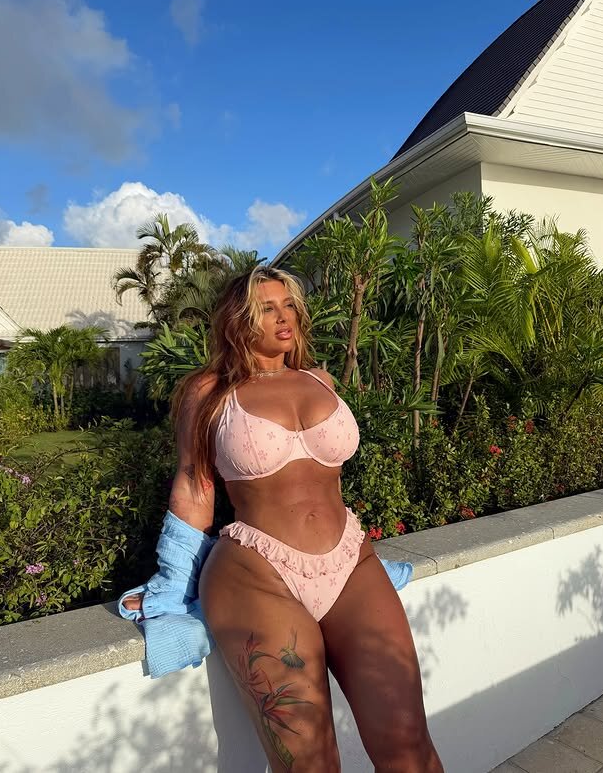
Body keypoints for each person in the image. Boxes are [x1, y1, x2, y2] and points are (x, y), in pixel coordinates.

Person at [124, 265, 443, 773]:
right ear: (238, 320)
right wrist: (171, 581)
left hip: (351, 564)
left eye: (289, 304)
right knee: (309, 763)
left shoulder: (320, 380)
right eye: (266, 308)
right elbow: (194, 485)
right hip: (257, 576)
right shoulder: (209, 392)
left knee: (409, 746)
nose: (283, 317)